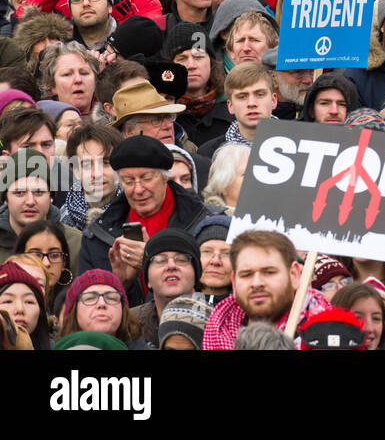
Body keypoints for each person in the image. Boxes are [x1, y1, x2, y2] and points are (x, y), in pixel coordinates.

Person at [78, 136, 216, 303]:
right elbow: (86, 305)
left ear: (166, 177)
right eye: (128, 181)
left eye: (147, 178)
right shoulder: (98, 234)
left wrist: (152, 263)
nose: (138, 189)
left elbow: (218, 291)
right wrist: (121, 284)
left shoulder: (206, 224)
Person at [202, 229, 332, 348]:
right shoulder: (217, 328)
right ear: (234, 282)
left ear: (294, 275)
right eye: (246, 274)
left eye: (269, 272)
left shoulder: (332, 334)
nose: (257, 283)